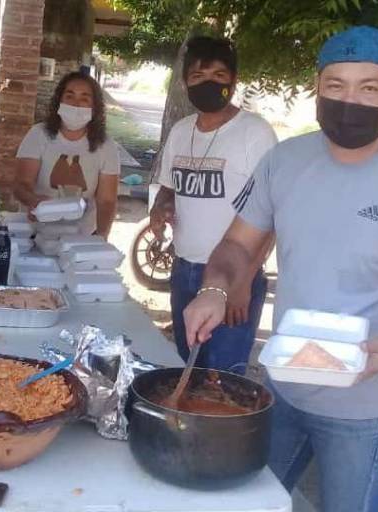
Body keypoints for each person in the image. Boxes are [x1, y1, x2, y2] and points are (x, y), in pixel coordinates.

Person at [183, 26, 378, 511]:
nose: (349, 100)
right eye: (335, 86)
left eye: (368, 88)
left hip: (365, 408)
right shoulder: (284, 161)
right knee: (249, 503)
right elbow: (236, 246)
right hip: (282, 390)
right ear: (317, 87)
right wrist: (215, 289)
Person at [148, 36, 278, 373]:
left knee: (222, 378)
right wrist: (159, 208)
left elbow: (272, 216)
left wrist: (243, 282)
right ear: (185, 83)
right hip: (183, 270)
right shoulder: (180, 131)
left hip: (234, 277)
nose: (208, 84)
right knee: (185, 368)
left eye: (219, 77)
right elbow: (169, 188)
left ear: (233, 82)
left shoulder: (255, 133)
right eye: (198, 77)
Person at [14, 71, 120, 238]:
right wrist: (32, 200)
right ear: (59, 101)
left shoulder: (106, 146)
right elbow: (21, 184)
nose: (76, 104)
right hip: (36, 233)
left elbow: (106, 201)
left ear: (95, 107)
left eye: (84, 98)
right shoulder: (38, 134)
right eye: (70, 96)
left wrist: (101, 237)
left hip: (80, 237)